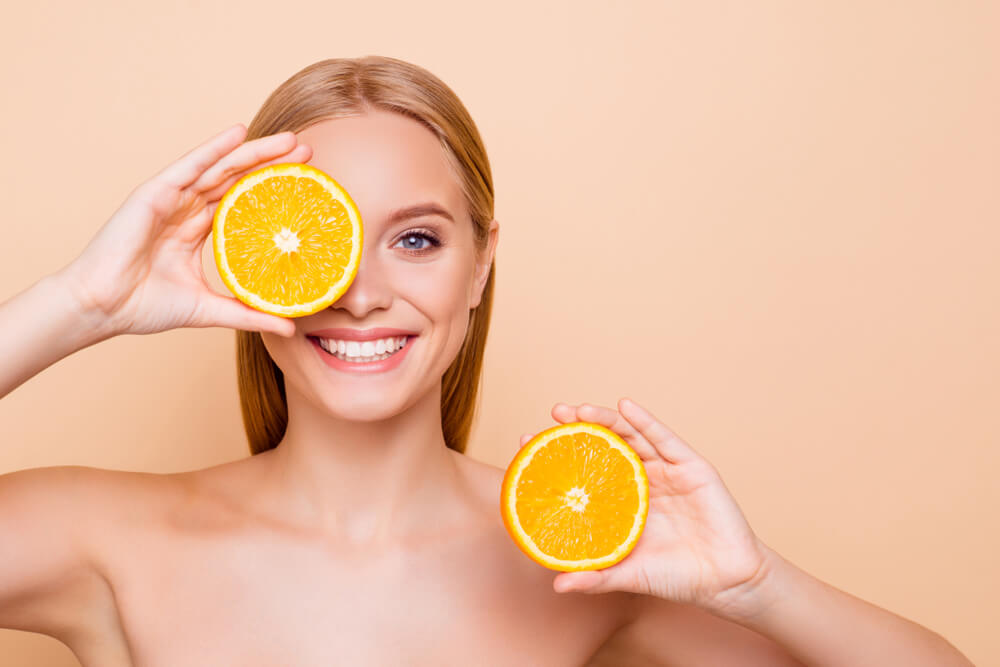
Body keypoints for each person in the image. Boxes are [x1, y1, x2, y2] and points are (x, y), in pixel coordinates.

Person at [0, 55, 973, 667]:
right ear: (256, 259)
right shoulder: (109, 539)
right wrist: (79, 304)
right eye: (322, 242)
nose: (361, 292)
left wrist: (757, 583)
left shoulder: (582, 565)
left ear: (480, 264)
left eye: (416, 239)